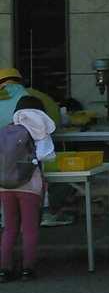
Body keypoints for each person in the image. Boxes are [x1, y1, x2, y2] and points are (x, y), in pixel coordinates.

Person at [0, 95, 56, 281]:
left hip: (5, 186)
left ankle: (4, 269)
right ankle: (27, 269)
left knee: (9, 229)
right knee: (29, 229)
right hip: (29, 186)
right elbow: (47, 156)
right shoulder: (38, 130)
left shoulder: (6, 130)